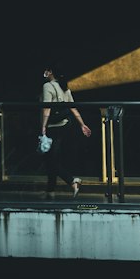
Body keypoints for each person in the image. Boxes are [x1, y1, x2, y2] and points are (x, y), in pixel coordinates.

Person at [41, 68, 92, 198]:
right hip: (64, 125)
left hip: (53, 126)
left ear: (51, 72)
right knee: (51, 159)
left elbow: (46, 108)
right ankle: (50, 192)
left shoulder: (47, 86)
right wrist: (82, 124)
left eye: (46, 71)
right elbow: (73, 108)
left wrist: (43, 126)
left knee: (51, 161)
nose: (44, 73)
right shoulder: (64, 87)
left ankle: (72, 181)